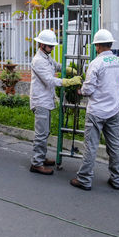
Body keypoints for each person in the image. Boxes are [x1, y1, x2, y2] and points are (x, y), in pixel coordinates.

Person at [70, 29, 119, 191]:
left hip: (96, 111)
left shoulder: (96, 64)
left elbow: (88, 89)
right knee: (114, 146)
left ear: (99, 46)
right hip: (114, 110)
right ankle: (117, 179)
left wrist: (80, 90)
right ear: (110, 44)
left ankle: (84, 179)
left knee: (91, 146)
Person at [29, 29, 81, 175]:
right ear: (42, 44)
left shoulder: (45, 57)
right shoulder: (38, 60)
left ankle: (41, 157)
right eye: (50, 46)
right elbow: (49, 80)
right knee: (41, 133)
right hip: (41, 102)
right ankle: (36, 163)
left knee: (45, 132)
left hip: (46, 100)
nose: (52, 48)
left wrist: (66, 68)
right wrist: (68, 81)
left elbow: (55, 66)